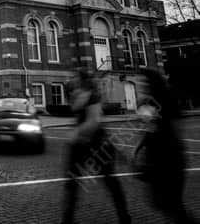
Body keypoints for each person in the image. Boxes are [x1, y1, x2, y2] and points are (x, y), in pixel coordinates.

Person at [61, 68, 131, 224]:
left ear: (83, 80)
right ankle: (67, 219)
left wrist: (77, 131)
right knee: (72, 182)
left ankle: (124, 217)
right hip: (80, 144)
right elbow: (76, 110)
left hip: (97, 144)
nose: (73, 80)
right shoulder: (78, 94)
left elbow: (94, 121)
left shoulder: (93, 96)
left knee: (110, 182)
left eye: (76, 78)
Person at [133, 69, 196, 223]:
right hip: (156, 158)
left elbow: (175, 130)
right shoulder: (147, 103)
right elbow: (148, 130)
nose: (141, 86)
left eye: (143, 82)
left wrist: (170, 155)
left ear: (152, 82)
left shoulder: (166, 99)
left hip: (169, 159)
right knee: (163, 203)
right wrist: (137, 150)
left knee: (170, 204)